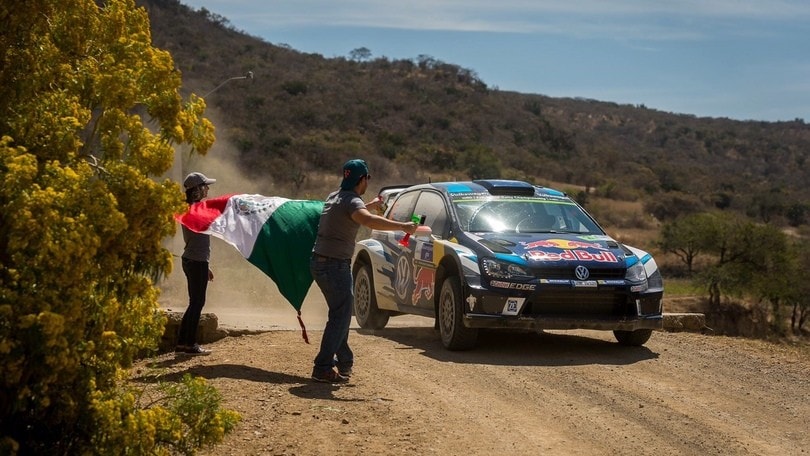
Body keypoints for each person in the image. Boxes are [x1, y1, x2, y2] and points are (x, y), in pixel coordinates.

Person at [310, 159, 417, 383]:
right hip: (334, 265)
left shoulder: (335, 196)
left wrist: (368, 205)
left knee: (339, 314)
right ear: (362, 179)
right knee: (340, 316)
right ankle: (323, 366)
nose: (368, 182)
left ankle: (345, 361)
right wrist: (403, 226)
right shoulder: (352, 202)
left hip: (321, 263)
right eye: (368, 178)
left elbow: (351, 212)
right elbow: (368, 221)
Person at [176, 171, 217, 356]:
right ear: (198, 190)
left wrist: (206, 266)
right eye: (205, 186)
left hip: (195, 260)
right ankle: (190, 345)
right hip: (196, 261)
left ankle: (182, 344)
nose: (208, 188)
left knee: (194, 303)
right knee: (197, 303)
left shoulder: (191, 209)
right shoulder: (194, 210)